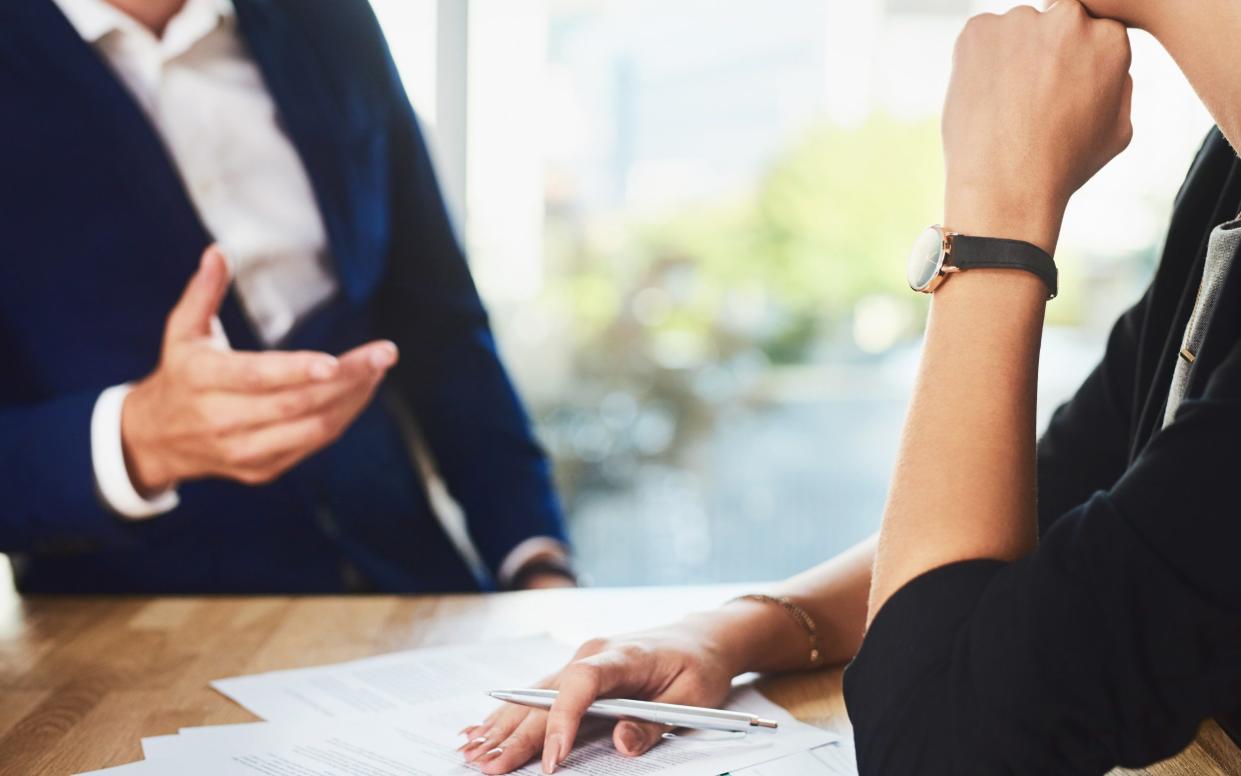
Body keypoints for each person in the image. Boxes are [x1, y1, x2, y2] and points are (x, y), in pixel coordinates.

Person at [464, 1, 1241, 773]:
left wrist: (995, 226)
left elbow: (932, 753)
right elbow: (1062, 505)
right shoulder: (1224, 174)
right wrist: (724, 634)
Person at [0, 0, 575, 594]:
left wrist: (535, 558)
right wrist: (135, 438)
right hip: (143, 633)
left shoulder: (328, 16)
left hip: (412, 591)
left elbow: (440, 321)